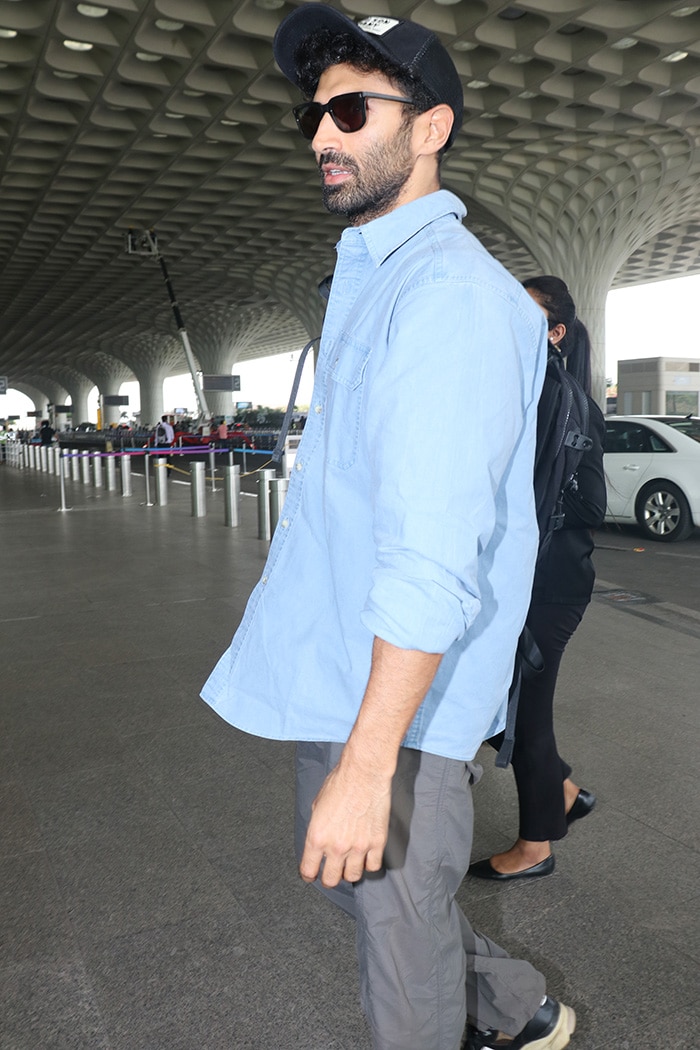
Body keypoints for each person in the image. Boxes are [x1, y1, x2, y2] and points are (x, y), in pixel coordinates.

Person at [202, 8, 575, 1049]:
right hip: (342, 668)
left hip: (398, 704)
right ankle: (516, 1006)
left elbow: (433, 552)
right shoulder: (375, 280)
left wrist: (372, 767)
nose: (321, 134)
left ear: (430, 126)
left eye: (352, 110)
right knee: (357, 892)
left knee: (400, 949)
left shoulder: (449, 299)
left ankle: (489, 1014)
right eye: (314, 114)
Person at [470, 276, 606, 882]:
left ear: (555, 332)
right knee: (499, 705)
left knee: (518, 710)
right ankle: (565, 792)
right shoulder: (539, 391)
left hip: (546, 582)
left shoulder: (554, 393)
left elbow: (574, 504)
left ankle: (536, 847)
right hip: (536, 576)